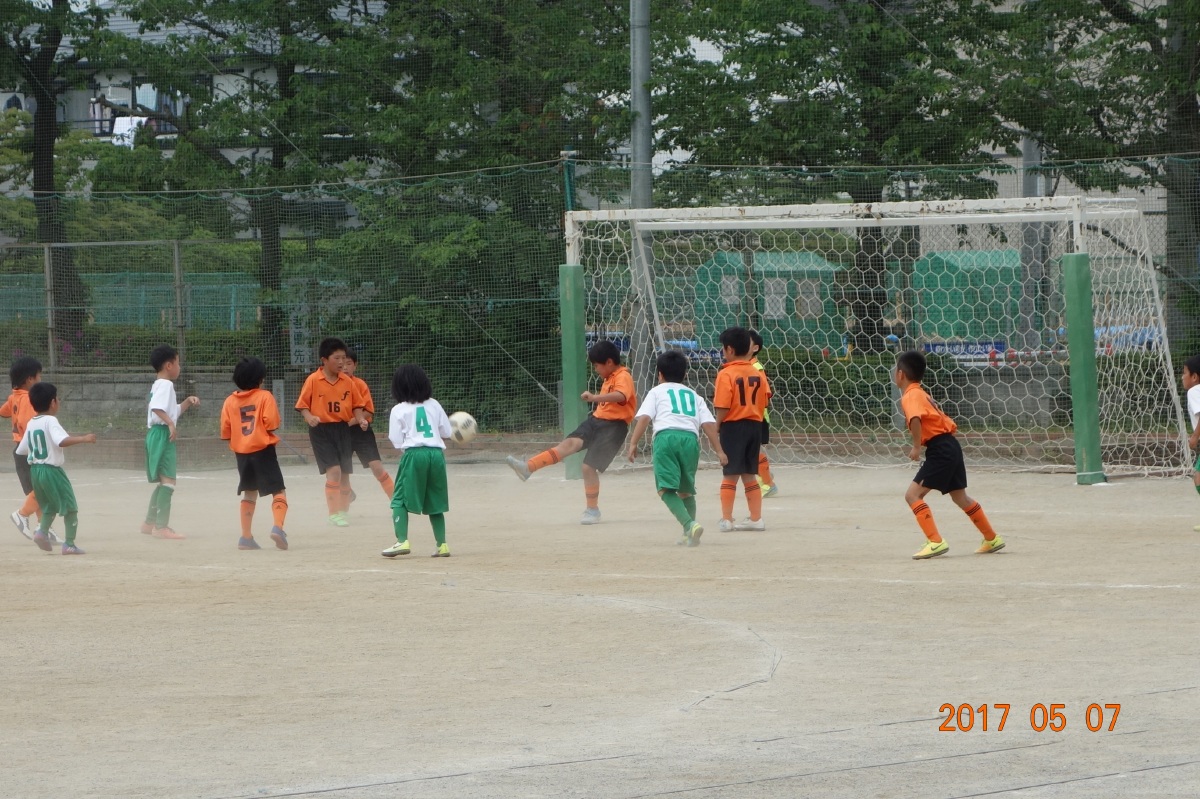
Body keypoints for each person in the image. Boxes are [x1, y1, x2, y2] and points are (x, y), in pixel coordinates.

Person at [505, 340, 636, 524]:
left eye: (596, 365)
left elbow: (621, 396)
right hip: (596, 420)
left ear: (608, 362)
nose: (596, 370)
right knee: (568, 444)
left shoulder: (623, 376)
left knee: (587, 467)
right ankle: (529, 467)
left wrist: (594, 397)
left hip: (614, 428)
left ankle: (592, 510)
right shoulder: (609, 378)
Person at [895, 350, 1005, 559]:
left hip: (940, 450)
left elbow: (916, 419)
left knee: (912, 495)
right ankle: (991, 538)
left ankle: (935, 541)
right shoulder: (922, 393)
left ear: (901, 374)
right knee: (960, 497)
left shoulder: (910, 395)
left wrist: (916, 447)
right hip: (950, 445)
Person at [626, 350, 727, 546]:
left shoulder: (656, 392)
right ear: (685, 374)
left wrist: (633, 443)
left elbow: (645, 418)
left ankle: (690, 525)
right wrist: (719, 451)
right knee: (686, 490)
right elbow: (708, 425)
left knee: (664, 489)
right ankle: (689, 535)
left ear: (660, 375)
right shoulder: (694, 395)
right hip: (691, 440)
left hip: (666, 438)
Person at [16, 382, 97, 554]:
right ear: (53, 402)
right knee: (70, 506)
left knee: (48, 505)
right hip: (51, 471)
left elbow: (21, 449)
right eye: (57, 398)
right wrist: (83, 438)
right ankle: (69, 544)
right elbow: (61, 441)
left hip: (35, 471)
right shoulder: (51, 420)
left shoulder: (32, 422)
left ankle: (41, 532)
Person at [381, 364, 453, 558]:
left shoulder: (399, 409)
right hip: (436, 455)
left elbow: (396, 440)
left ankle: (402, 541)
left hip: (414, 454)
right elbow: (447, 432)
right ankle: (442, 545)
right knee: (435, 500)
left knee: (399, 498)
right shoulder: (434, 404)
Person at [295, 337, 368, 527]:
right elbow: (302, 405)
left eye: (344, 358)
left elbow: (357, 405)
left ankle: (343, 511)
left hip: (342, 429)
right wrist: (309, 416)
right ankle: (333, 513)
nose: (342, 362)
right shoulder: (313, 380)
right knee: (334, 470)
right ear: (324, 360)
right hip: (321, 431)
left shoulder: (348, 381)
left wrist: (360, 419)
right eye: (337, 358)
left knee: (345, 473)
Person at [219, 357, 289, 551]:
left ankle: (246, 537)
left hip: (242, 454)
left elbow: (225, 431)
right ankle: (278, 527)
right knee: (278, 490)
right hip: (262, 450)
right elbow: (272, 423)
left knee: (249, 492)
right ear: (260, 379)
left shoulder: (229, 401)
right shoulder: (265, 396)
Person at [713, 327, 771, 531]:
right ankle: (756, 519)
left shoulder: (726, 373)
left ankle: (727, 519)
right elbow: (765, 400)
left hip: (733, 427)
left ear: (729, 349)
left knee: (730, 474)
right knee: (749, 474)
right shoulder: (757, 371)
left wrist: (717, 425)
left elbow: (723, 405)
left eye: (723, 348)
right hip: (754, 426)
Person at [142, 344, 200, 540]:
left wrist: (187, 402)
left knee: (163, 481)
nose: (179, 367)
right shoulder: (166, 385)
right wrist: (170, 424)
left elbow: (171, 411)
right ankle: (161, 527)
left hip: (155, 434)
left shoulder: (158, 384)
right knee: (168, 481)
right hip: (161, 434)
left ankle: (149, 523)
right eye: (178, 363)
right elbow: (157, 409)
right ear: (169, 365)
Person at [1, 356, 55, 542]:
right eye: (39, 376)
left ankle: (44, 528)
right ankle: (22, 514)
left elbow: (4, 412)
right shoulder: (28, 399)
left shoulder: (14, 397)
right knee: (42, 490)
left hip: (20, 450)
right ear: (30, 379)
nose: (40, 379)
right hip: (29, 450)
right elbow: (28, 423)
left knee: (37, 492)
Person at [342, 348, 395, 509]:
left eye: (349, 363)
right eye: (341, 363)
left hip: (361, 431)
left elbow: (368, 411)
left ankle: (397, 502)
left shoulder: (360, 384)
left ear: (355, 365)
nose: (345, 367)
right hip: (340, 432)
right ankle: (342, 508)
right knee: (341, 472)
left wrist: (352, 422)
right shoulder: (332, 385)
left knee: (376, 467)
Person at [748, 330, 778, 498]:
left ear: (755, 348)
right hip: (749, 416)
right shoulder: (745, 367)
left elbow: (765, 395)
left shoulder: (756, 368)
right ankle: (765, 474)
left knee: (752, 450)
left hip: (756, 416)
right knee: (749, 451)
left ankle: (768, 483)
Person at [1182, 355, 1200, 531]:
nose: (1182, 377)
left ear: (1194, 377)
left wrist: (1194, 437)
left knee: (1198, 478)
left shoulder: (1194, 391)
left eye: (1185, 373)